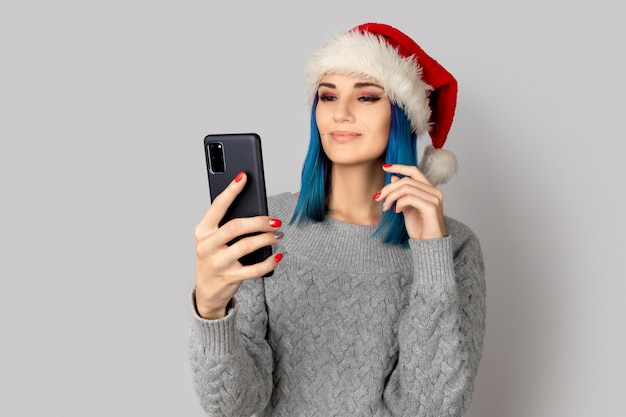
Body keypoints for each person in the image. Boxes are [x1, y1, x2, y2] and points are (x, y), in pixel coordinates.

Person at [189, 22, 486, 417]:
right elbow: (233, 408)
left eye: (366, 97)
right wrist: (211, 312)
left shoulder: (455, 247)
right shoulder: (264, 226)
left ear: (402, 117)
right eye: (328, 96)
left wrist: (431, 254)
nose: (341, 113)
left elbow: (433, 410)